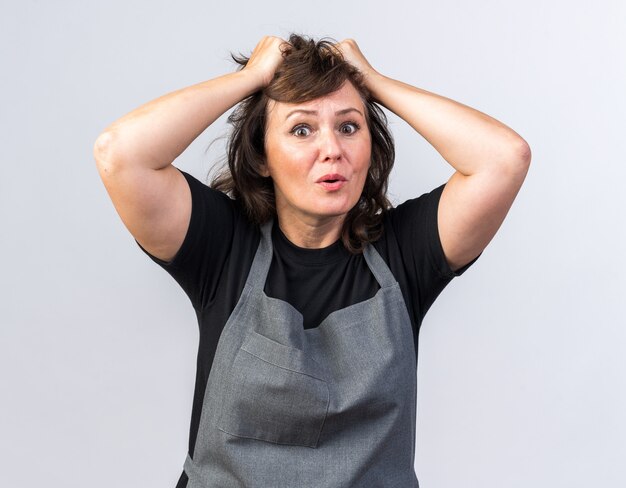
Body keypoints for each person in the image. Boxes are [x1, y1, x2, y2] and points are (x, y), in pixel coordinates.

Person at [94, 34, 531, 488]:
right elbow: (120, 154)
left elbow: (504, 158)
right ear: (263, 156)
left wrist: (373, 83)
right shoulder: (223, 249)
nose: (332, 149)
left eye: (348, 127)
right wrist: (250, 80)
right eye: (302, 129)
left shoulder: (405, 255)